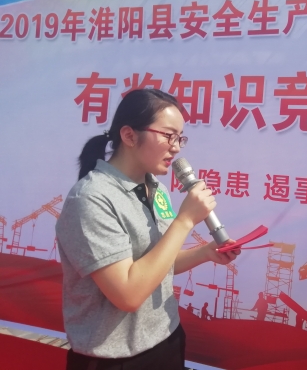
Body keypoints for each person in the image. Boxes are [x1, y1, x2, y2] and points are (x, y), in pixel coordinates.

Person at [55, 88, 240, 370]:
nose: (176, 148)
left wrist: (205, 253)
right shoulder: (91, 198)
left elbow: (157, 264)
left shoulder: (157, 188)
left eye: (180, 138)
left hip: (166, 338)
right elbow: (128, 294)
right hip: (114, 359)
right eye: (168, 135)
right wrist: (185, 221)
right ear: (129, 136)